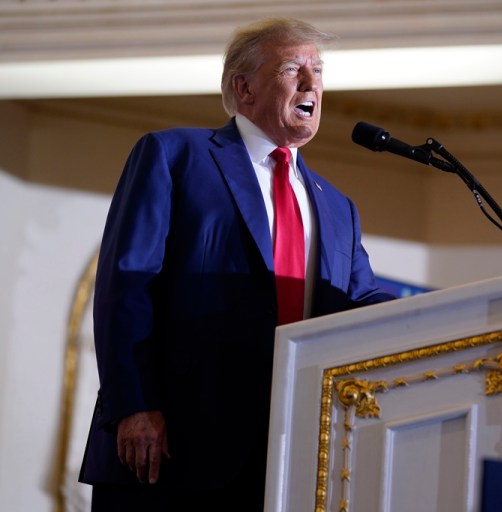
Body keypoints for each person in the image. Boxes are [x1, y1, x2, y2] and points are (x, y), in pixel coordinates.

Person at [79, 17, 396, 511]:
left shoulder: (337, 206)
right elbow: (127, 285)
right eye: (294, 68)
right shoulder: (175, 156)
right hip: (172, 451)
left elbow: (358, 304)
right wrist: (136, 406)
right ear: (243, 88)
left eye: (319, 70)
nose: (313, 83)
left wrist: (447, 313)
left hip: (292, 457)